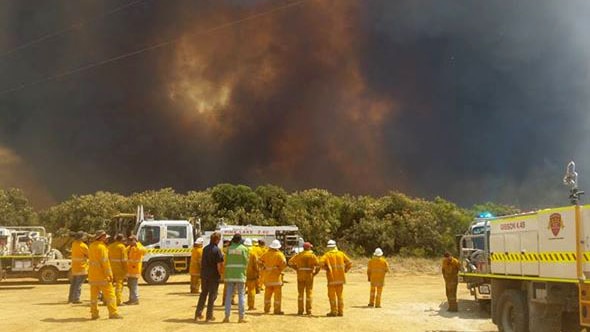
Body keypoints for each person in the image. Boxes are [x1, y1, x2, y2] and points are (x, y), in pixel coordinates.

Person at [88, 230, 121, 319]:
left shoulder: (91, 246)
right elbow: (105, 263)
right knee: (110, 295)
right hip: (103, 277)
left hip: (92, 276)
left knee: (94, 297)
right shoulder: (102, 248)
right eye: (105, 238)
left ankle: (94, 314)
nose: (107, 239)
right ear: (101, 238)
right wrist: (110, 275)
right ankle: (113, 313)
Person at [195, 232, 224, 322]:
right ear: (217, 240)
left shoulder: (205, 249)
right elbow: (219, 265)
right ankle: (209, 316)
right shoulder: (217, 250)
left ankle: (198, 314)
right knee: (212, 295)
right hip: (213, 276)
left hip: (204, 275)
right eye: (219, 239)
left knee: (203, 294)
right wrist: (221, 275)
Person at [320, 239, 352, 317]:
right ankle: (341, 312)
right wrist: (345, 270)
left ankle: (333, 312)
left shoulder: (327, 255)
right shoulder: (341, 254)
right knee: (340, 296)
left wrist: (326, 268)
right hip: (340, 278)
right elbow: (349, 262)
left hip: (331, 279)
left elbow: (320, 263)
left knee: (332, 296)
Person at [223, 233, 249, 323]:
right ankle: (241, 317)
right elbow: (246, 262)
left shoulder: (228, 249)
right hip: (240, 275)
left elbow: (225, 262)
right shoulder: (244, 249)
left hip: (230, 274)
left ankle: (226, 317)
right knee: (241, 295)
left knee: (228, 296)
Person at [288, 241, 320, 315]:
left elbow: (290, 262)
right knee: (309, 292)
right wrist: (315, 273)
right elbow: (318, 265)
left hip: (300, 275)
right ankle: (308, 310)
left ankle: (300, 310)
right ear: (309, 247)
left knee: (300, 293)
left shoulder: (299, 255)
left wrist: (296, 268)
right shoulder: (312, 255)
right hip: (309, 275)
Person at [259, 239, 287, 315]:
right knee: (277, 296)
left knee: (267, 295)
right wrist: (280, 269)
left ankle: (266, 309)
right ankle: (277, 310)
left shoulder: (266, 254)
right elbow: (284, 263)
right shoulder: (280, 254)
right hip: (277, 278)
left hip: (267, 278)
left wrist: (264, 267)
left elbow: (259, 261)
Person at [125, 235, 146, 305]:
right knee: (130, 285)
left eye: (131, 240)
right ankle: (131, 299)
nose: (130, 242)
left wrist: (136, 245)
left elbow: (144, 251)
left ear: (135, 240)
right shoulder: (128, 248)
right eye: (129, 240)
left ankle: (135, 299)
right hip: (129, 270)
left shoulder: (139, 247)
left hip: (135, 270)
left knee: (134, 285)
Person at [68, 231, 88, 304]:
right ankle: (76, 298)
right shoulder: (83, 246)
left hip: (75, 267)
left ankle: (70, 298)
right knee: (78, 284)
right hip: (82, 267)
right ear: (81, 237)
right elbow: (89, 255)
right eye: (84, 236)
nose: (85, 237)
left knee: (73, 284)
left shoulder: (74, 244)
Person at [108, 234, 128, 306]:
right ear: (122, 239)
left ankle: (106, 300)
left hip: (110, 268)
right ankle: (118, 301)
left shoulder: (110, 246)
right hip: (119, 269)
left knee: (109, 285)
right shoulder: (122, 247)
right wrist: (126, 271)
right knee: (119, 286)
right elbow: (124, 260)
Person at [243, 238, 259, 311]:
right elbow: (256, 264)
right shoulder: (253, 253)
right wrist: (257, 272)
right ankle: (251, 306)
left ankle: (241, 305)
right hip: (251, 274)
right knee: (251, 290)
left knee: (241, 291)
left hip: (242, 274)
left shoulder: (241, 251)